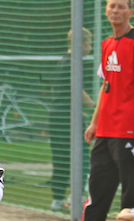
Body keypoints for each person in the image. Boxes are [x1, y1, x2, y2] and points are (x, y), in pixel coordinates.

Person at [75, 0, 134, 221]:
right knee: (98, 185)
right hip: (105, 130)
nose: (115, 11)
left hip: (131, 129)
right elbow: (106, 86)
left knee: (132, 190)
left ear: (130, 12)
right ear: (106, 10)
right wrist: (94, 122)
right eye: (112, 6)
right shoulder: (107, 44)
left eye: (121, 7)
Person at [48, 28, 96, 211]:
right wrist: (95, 107)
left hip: (57, 116)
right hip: (67, 118)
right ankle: (77, 198)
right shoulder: (72, 63)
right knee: (81, 156)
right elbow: (77, 89)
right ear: (81, 44)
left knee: (61, 157)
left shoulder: (63, 62)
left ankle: (58, 199)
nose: (90, 47)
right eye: (89, 43)